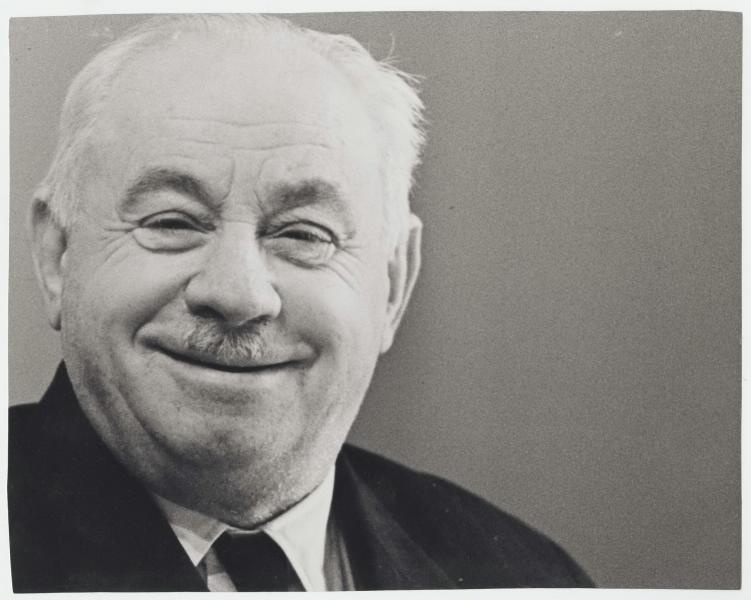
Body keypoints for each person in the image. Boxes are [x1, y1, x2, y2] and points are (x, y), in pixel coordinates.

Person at [8, 14, 594, 592]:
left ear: (393, 283)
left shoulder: (531, 579)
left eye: (304, 234)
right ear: (57, 255)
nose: (238, 294)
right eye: (173, 222)